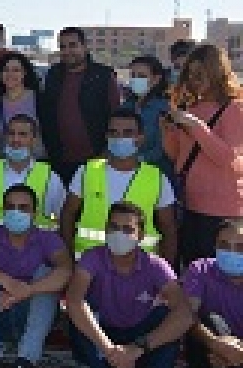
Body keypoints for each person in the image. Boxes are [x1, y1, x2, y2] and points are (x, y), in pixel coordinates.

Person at [66, 202, 193, 368]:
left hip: (141, 342)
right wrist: (111, 351)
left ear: (140, 235)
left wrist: (137, 349)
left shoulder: (156, 265)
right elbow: (73, 301)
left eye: (127, 229)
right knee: (80, 312)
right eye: (114, 227)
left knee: (168, 317)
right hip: (101, 340)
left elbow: (185, 314)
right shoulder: (91, 258)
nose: (119, 234)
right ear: (106, 230)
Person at [0, 185, 73, 368]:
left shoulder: (48, 239)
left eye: (23, 208)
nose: (16, 212)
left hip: (32, 317)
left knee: (47, 272)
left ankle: (25, 362)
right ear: (3, 211)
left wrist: (28, 290)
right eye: (11, 207)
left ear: (34, 213)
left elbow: (66, 270)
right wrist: (3, 279)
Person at [61, 108, 177, 262]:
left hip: (139, 266)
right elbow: (68, 214)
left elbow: (168, 229)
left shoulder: (157, 178)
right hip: (90, 264)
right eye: (113, 132)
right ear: (107, 137)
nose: (119, 138)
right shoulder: (86, 171)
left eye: (128, 133)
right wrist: (68, 259)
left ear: (140, 139)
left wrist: (165, 270)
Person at [161, 43, 243, 262]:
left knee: (222, 270)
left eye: (200, 73)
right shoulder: (190, 107)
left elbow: (226, 157)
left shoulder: (234, 108)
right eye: (190, 73)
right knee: (193, 268)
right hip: (190, 204)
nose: (193, 79)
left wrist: (196, 126)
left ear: (216, 72)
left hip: (223, 210)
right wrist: (168, 132)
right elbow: (176, 156)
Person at [39, 26, 120, 186]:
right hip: (59, 160)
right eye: (63, 46)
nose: (67, 51)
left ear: (85, 46)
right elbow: (46, 112)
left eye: (73, 45)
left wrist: (107, 151)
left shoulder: (103, 75)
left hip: (95, 159)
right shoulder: (53, 75)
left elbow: (116, 115)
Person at [0, 114, 65, 239]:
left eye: (23, 134)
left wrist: (53, 244)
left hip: (38, 247)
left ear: (34, 140)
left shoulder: (50, 177)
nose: (16, 140)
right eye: (11, 133)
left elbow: (61, 217)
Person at [182, 219, 243, 368]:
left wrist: (235, 352)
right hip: (207, 348)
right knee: (211, 320)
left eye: (240, 247)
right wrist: (216, 344)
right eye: (224, 245)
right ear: (214, 247)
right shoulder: (200, 270)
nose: (232, 252)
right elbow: (187, 315)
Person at [124, 55, 173, 181]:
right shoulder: (126, 106)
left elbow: (164, 147)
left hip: (156, 174)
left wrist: (138, 159)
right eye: (133, 75)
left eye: (141, 76)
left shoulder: (166, 109)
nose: (135, 80)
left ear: (156, 79)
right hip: (126, 173)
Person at [0, 51, 41, 155]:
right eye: (6, 70)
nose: (10, 74)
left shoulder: (39, 100)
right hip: (4, 161)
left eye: (16, 70)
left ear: (24, 73)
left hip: (36, 160)